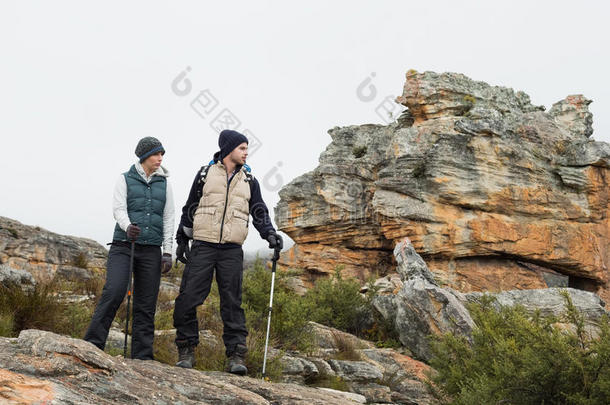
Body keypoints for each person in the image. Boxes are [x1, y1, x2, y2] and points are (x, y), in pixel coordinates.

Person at [173, 129, 282, 375]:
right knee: (188, 298)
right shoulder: (204, 174)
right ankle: (186, 350)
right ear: (229, 149)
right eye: (242, 148)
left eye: (246, 148)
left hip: (232, 249)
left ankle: (236, 356)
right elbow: (190, 207)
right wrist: (182, 239)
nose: (246, 152)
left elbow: (259, 211)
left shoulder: (249, 181)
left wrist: (270, 234)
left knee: (232, 303)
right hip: (203, 245)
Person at [84, 137, 175, 360]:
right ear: (144, 156)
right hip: (124, 246)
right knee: (114, 291)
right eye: (156, 154)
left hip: (151, 249)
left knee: (146, 303)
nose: (160, 158)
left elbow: (169, 217)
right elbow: (118, 209)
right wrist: (128, 226)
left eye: (162, 154)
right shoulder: (124, 179)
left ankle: (142, 357)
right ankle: (92, 345)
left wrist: (167, 252)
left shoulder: (165, 184)